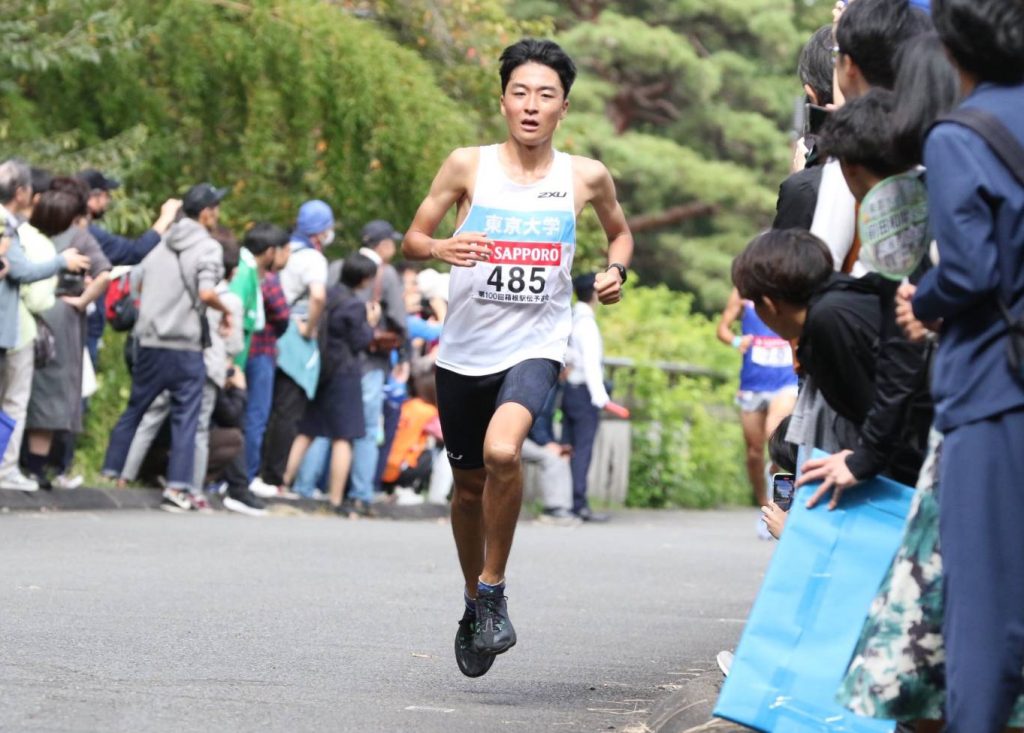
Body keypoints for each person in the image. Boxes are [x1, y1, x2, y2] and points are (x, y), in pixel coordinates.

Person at [402, 38, 633, 677]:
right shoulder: (466, 166)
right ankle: (474, 601)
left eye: (546, 95)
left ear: (564, 108)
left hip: (537, 345)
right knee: (468, 486)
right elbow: (412, 237)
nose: (532, 106)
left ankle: (495, 586)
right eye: (521, 93)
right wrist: (441, 247)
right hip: (464, 353)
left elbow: (620, 231)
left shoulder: (583, 176)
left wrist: (616, 271)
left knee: (504, 453)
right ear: (503, 100)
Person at [896, 1, 1024, 727]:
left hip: (997, 387)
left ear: (951, 47)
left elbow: (970, 271)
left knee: (985, 610)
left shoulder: (960, 136)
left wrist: (925, 294)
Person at [731, 229, 929, 492]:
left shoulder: (828, 321)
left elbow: (884, 402)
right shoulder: (841, 300)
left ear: (770, 303)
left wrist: (862, 462)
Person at [101, 183, 232, 512]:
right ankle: (178, 487)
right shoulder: (207, 247)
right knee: (186, 416)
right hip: (184, 344)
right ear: (205, 213)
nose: (217, 214)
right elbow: (205, 293)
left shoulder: (160, 245)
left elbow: (136, 280)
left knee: (136, 407)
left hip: (148, 339)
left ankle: (112, 472)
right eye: (215, 208)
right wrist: (226, 310)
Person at [21, 179, 112, 489]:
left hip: (27, 315)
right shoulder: (79, 239)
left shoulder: (25, 234)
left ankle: (23, 465)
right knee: (53, 395)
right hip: (60, 319)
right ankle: (38, 468)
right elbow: (105, 274)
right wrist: (84, 300)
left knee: (23, 392)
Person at [280, 253, 378, 513]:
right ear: (365, 278)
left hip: (321, 368)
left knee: (308, 429)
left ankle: (283, 482)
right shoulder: (355, 306)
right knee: (343, 436)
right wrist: (371, 325)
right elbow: (360, 342)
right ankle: (335, 499)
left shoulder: (330, 294)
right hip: (345, 373)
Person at [254, 200, 332, 498]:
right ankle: (273, 477)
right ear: (321, 231)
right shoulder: (313, 259)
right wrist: (310, 328)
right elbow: (318, 296)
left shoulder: (284, 250)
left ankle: (254, 471)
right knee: (288, 411)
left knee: (266, 407)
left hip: (269, 332)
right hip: (295, 337)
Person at [716, 287, 797, 515]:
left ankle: (781, 507)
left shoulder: (793, 284)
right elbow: (722, 329)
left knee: (777, 444)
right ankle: (764, 506)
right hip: (753, 383)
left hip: (785, 380)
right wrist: (735, 341)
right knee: (754, 452)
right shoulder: (743, 290)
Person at [562, 272, 629, 522]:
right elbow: (592, 364)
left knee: (567, 448)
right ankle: (578, 504)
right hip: (584, 395)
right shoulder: (587, 324)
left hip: (570, 390)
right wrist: (601, 398)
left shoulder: (570, 318)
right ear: (594, 292)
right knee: (582, 450)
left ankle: (566, 501)